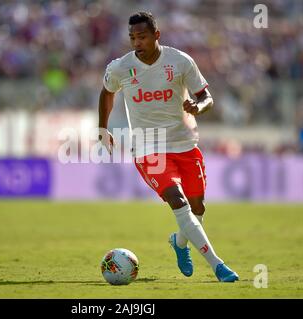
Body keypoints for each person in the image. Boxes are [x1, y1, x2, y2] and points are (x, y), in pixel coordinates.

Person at [97, 12, 239, 282]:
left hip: (184, 143)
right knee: (177, 199)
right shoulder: (120, 67)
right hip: (147, 147)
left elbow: (206, 96)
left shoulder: (180, 61)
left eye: (142, 36)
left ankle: (180, 242)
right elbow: (106, 92)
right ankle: (218, 265)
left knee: (198, 207)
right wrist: (102, 129)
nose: (137, 42)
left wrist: (198, 107)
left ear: (156, 35)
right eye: (132, 38)